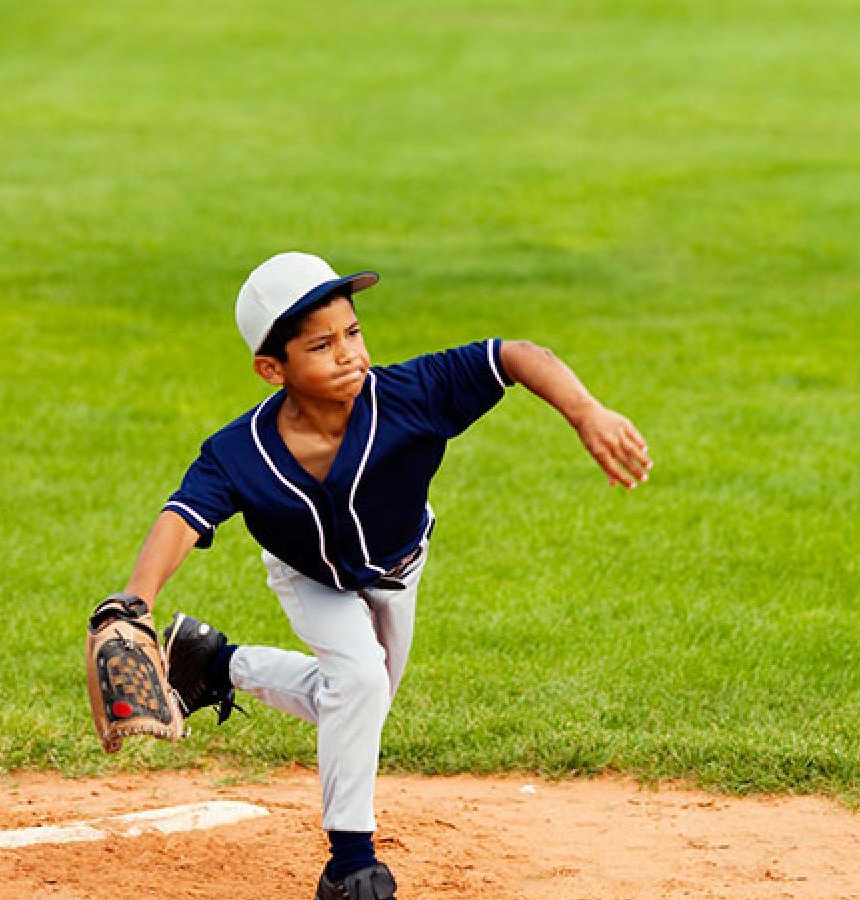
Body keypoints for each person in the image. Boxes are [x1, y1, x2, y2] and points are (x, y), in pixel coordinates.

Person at [113, 251, 652, 900]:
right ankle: (351, 863)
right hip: (308, 576)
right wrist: (134, 600)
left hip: (399, 569)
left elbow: (513, 355)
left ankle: (213, 662)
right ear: (272, 369)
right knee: (359, 682)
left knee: (356, 701)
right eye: (321, 345)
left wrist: (585, 411)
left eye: (353, 333)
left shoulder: (410, 396)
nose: (348, 354)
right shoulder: (241, 452)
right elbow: (182, 516)